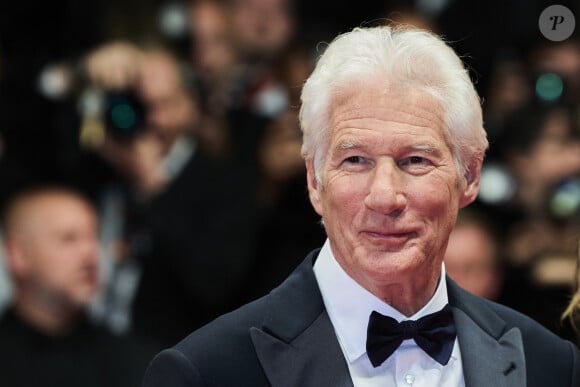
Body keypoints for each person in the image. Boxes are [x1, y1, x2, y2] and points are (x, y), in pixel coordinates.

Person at [142, 25, 580, 386]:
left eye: (415, 160)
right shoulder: (206, 374)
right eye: (355, 160)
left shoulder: (550, 366)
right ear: (314, 180)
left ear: (469, 174)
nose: (385, 196)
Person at [0, 186, 153, 387]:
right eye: (68, 239)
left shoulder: (139, 364)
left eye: (94, 237)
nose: (90, 254)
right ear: (18, 254)